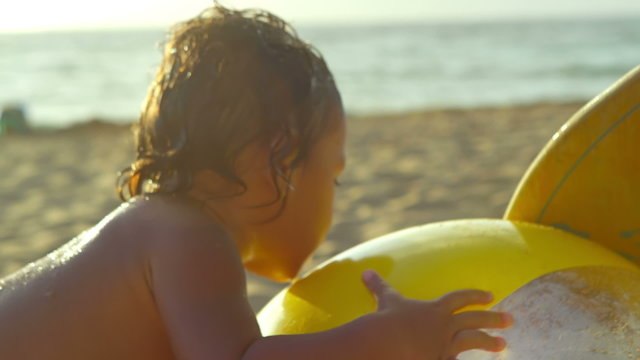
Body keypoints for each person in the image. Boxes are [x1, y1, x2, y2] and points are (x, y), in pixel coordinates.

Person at [0, 5, 512, 359]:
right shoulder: (190, 238)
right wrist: (389, 340)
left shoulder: (163, 230)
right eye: (334, 175)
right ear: (281, 155)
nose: (334, 196)